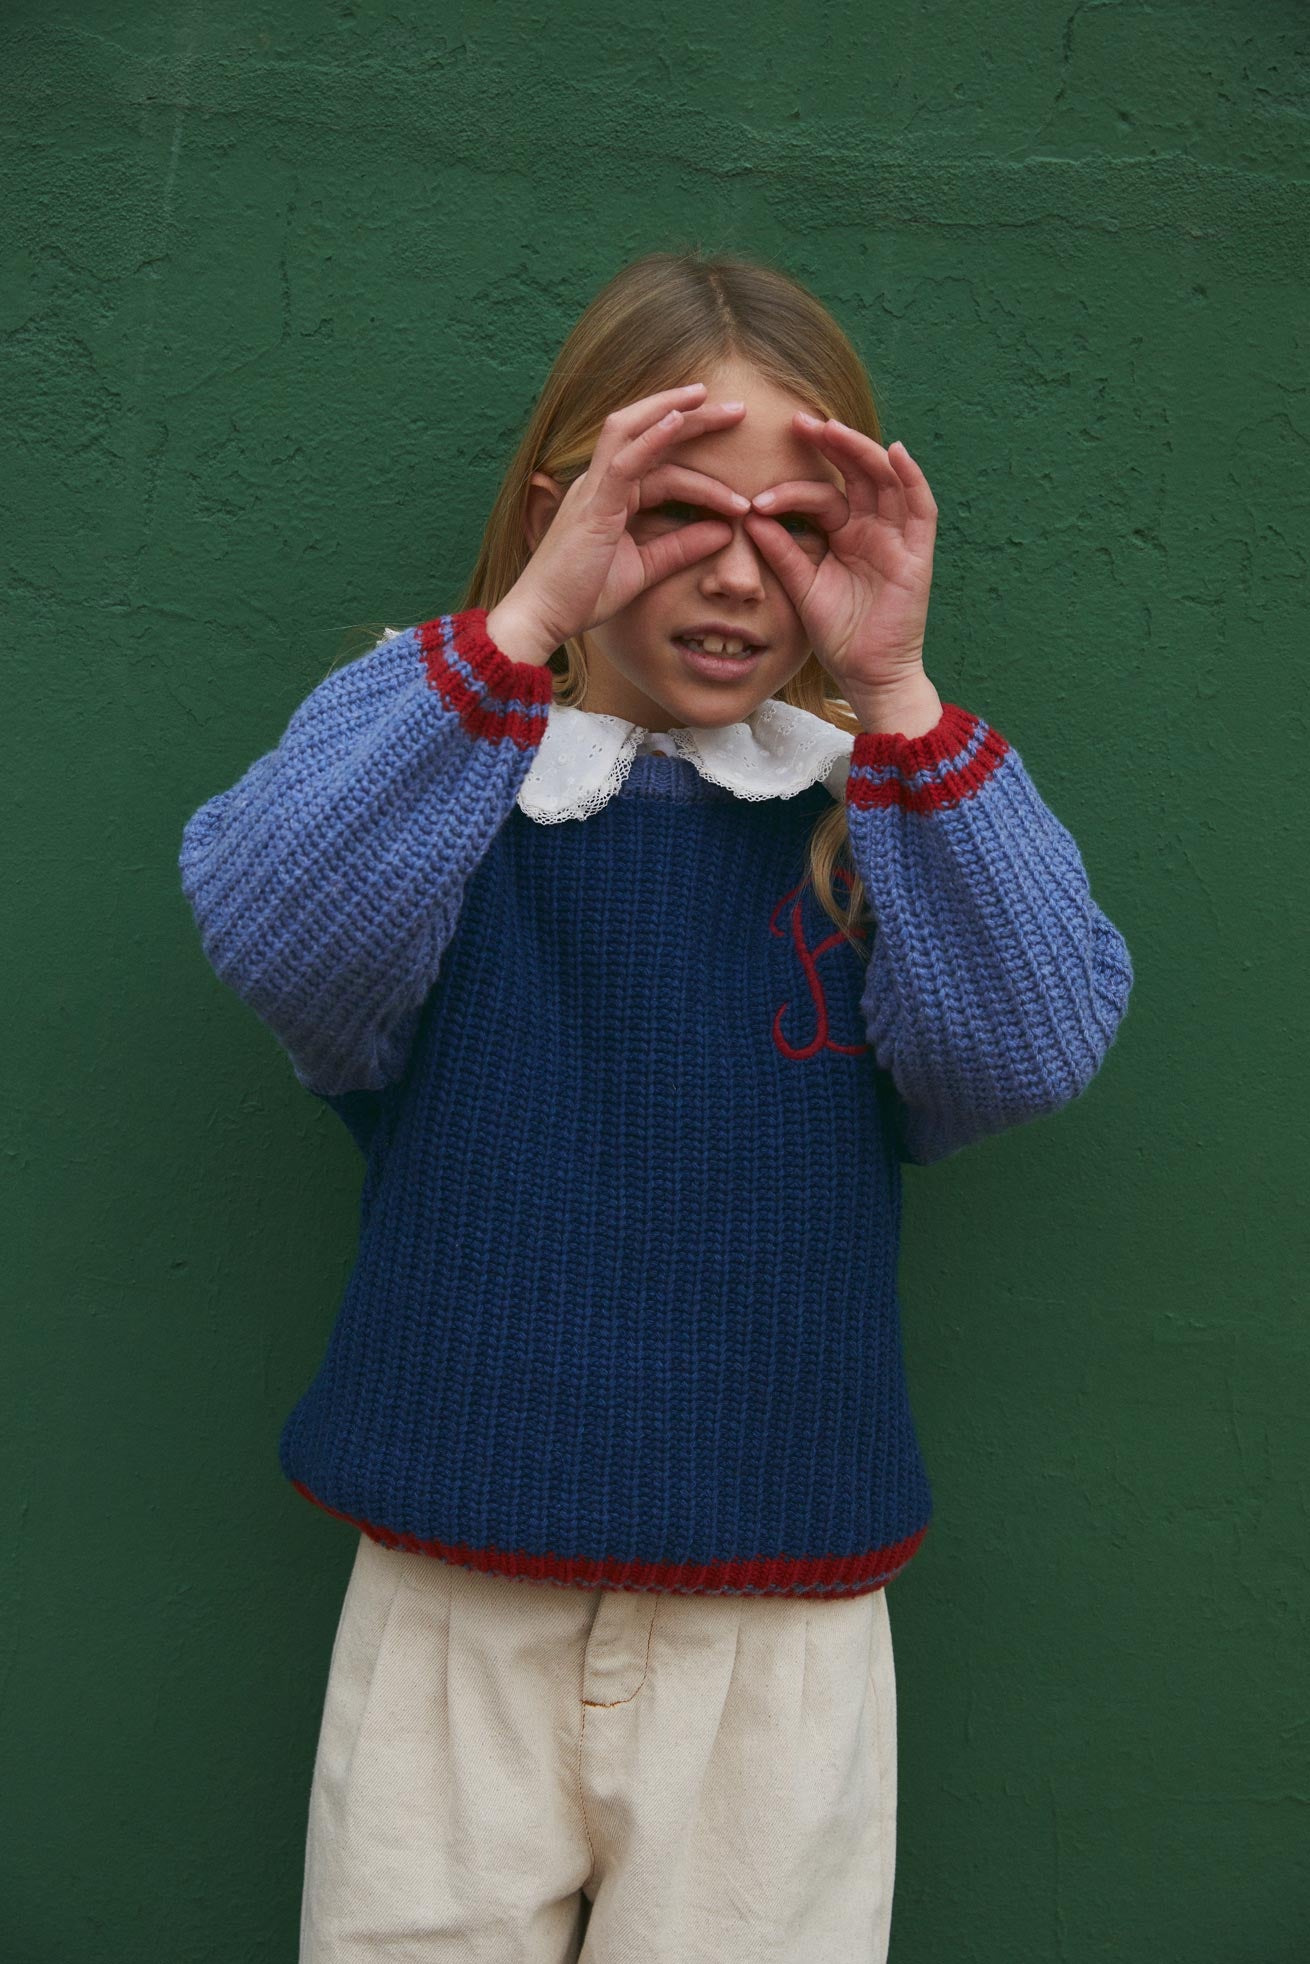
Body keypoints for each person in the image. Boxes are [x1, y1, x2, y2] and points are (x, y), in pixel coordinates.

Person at [178, 248, 1134, 1963]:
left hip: (775, 1629)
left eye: (800, 524)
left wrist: (900, 696)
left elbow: (1028, 1045)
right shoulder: (443, 776)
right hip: (454, 1595)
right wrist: (522, 627)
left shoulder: (873, 815)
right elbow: (271, 919)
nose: (738, 567)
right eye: (680, 509)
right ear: (566, 508)